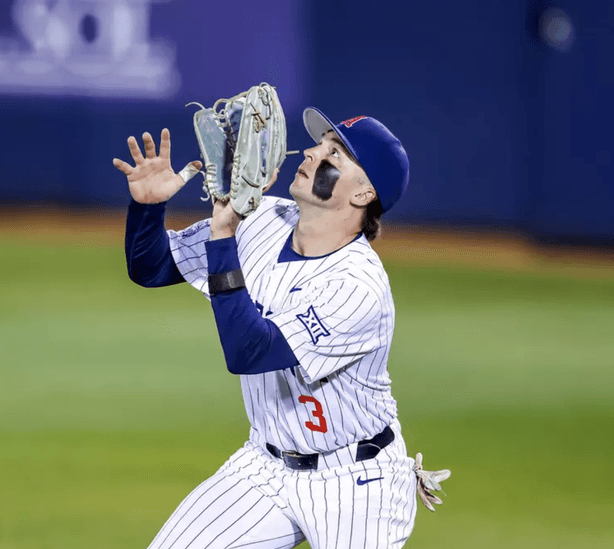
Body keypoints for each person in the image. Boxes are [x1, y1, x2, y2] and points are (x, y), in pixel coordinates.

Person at [114, 107, 437, 549]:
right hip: (265, 468)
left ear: (363, 194)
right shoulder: (262, 219)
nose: (311, 152)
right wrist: (148, 208)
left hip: (357, 482)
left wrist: (223, 236)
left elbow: (248, 351)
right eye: (319, 143)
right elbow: (150, 267)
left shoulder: (358, 286)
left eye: (334, 153)